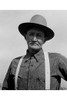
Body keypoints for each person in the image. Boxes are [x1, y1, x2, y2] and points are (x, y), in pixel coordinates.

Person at [2, 14, 67, 90]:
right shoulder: (15, 63)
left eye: (39, 35)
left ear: (44, 39)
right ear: (25, 37)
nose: (34, 39)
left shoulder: (57, 60)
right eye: (31, 34)